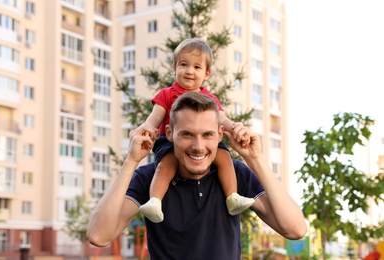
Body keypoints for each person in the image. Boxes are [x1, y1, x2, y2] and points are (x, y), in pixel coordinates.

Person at [87, 92, 308, 260]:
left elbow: (296, 229)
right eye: (187, 134)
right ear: (170, 134)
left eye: (207, 135)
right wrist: (131, 162)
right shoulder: (148, 178)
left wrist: (256, 160)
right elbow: (99, 236)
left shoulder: (236, 174)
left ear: (220, 135)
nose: (198, 146)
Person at [138, 38, 254, 223]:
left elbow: (223, 119)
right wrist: (146, 130)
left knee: (224, 157)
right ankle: (155, 201)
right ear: (174, 68)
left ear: (206, 73)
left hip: (202, 140)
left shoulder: (210, 99)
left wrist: (236, 129)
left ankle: (232, 196)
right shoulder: (167, 94)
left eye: (197, 67)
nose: (190, 71)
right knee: (165, 165)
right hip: (169, 141)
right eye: (184, 65)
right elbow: (155, 117)